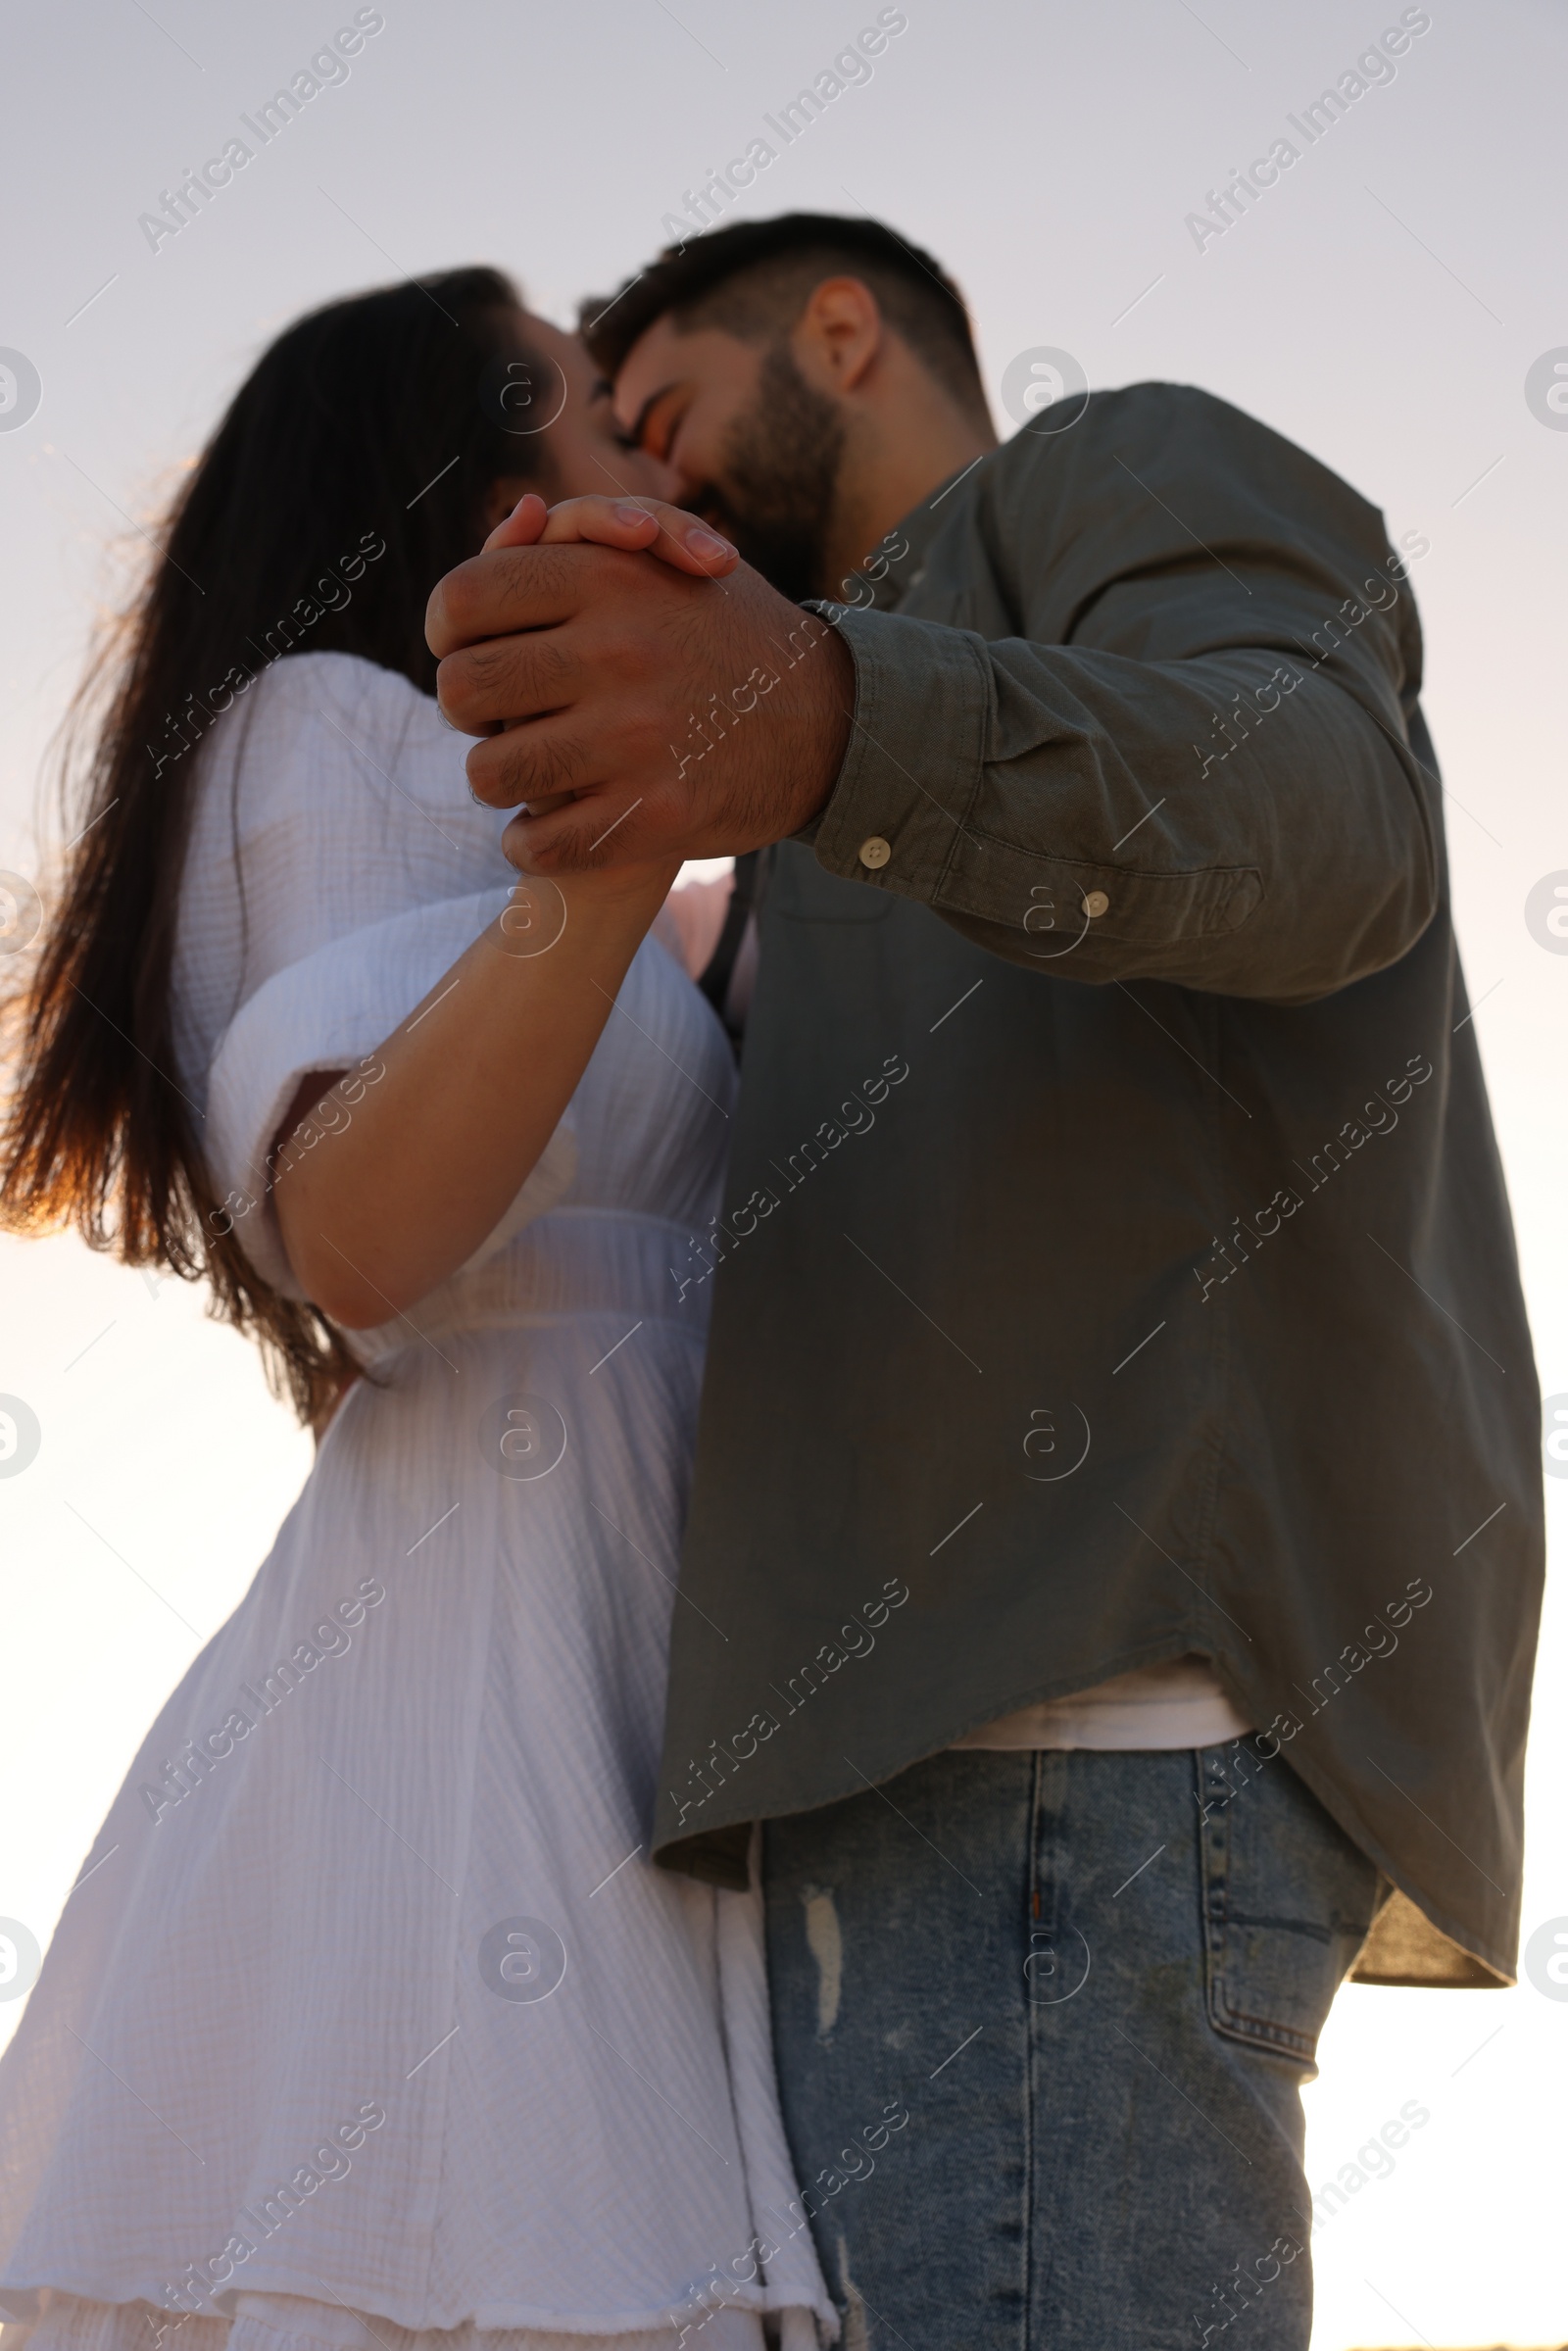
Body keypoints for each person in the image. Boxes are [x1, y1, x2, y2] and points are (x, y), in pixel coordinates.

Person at [424, 215, 1544, 2350]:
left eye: (657, 417)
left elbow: (1318, 817)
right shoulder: (748, 834)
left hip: (1071, 1727)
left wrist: (825, 716)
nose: (644, 485)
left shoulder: (1105, 474)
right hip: (892, 1789)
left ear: (835, 330)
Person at [0, 269, 833, 2351]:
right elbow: (362, 1229)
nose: (648, 442)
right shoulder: (339, 729)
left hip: (647, 1631)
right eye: (587, 405)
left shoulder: (554, 839)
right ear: (465, 492)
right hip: (490, 1651)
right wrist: (633, 812)